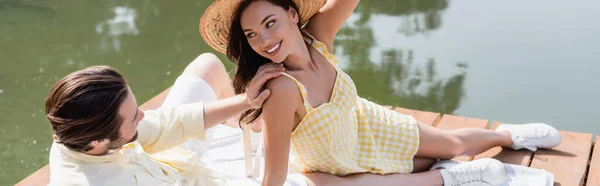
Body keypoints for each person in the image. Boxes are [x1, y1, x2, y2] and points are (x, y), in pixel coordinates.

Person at [197, 0, 563, 185]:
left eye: (269, 22)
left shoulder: (317, 37)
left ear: (293, 14)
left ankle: (508, 135)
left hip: (369, 125)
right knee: (391, 180)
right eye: (251, 35)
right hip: (337, 166)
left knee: (451, 146)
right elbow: (274, 175)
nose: (263, 40)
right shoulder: (281, 90)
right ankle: (453, 177)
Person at [45, 53, 492, 186]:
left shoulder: (87, 134)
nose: (144, 114)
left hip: (175, 167)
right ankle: (447, 180)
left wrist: (246, 101)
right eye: (133, 116)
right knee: (320, 181)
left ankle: (439, 158)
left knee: (205, 66)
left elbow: (170, 124)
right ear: (101, 143)